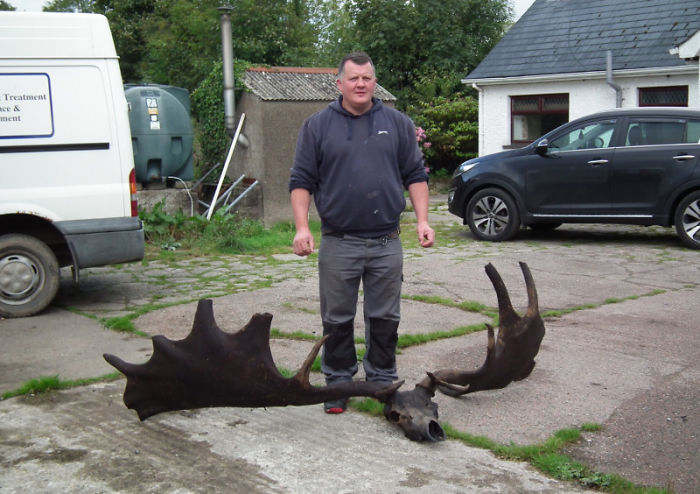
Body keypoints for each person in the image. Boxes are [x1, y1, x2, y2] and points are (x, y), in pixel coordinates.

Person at [288, 52, 435, 414]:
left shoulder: (398, 124)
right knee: (336, 318)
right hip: (339, 242)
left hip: (387, 241)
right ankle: (337, 383)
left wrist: (422, 221)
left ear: (374, 82)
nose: (360, 85)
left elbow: (415, 175)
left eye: (367, 78)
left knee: (385, 316)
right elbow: (301, 181)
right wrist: (302, 227)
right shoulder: (317, 126)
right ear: (339, 83)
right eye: (353, 78)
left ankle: (383, 380)